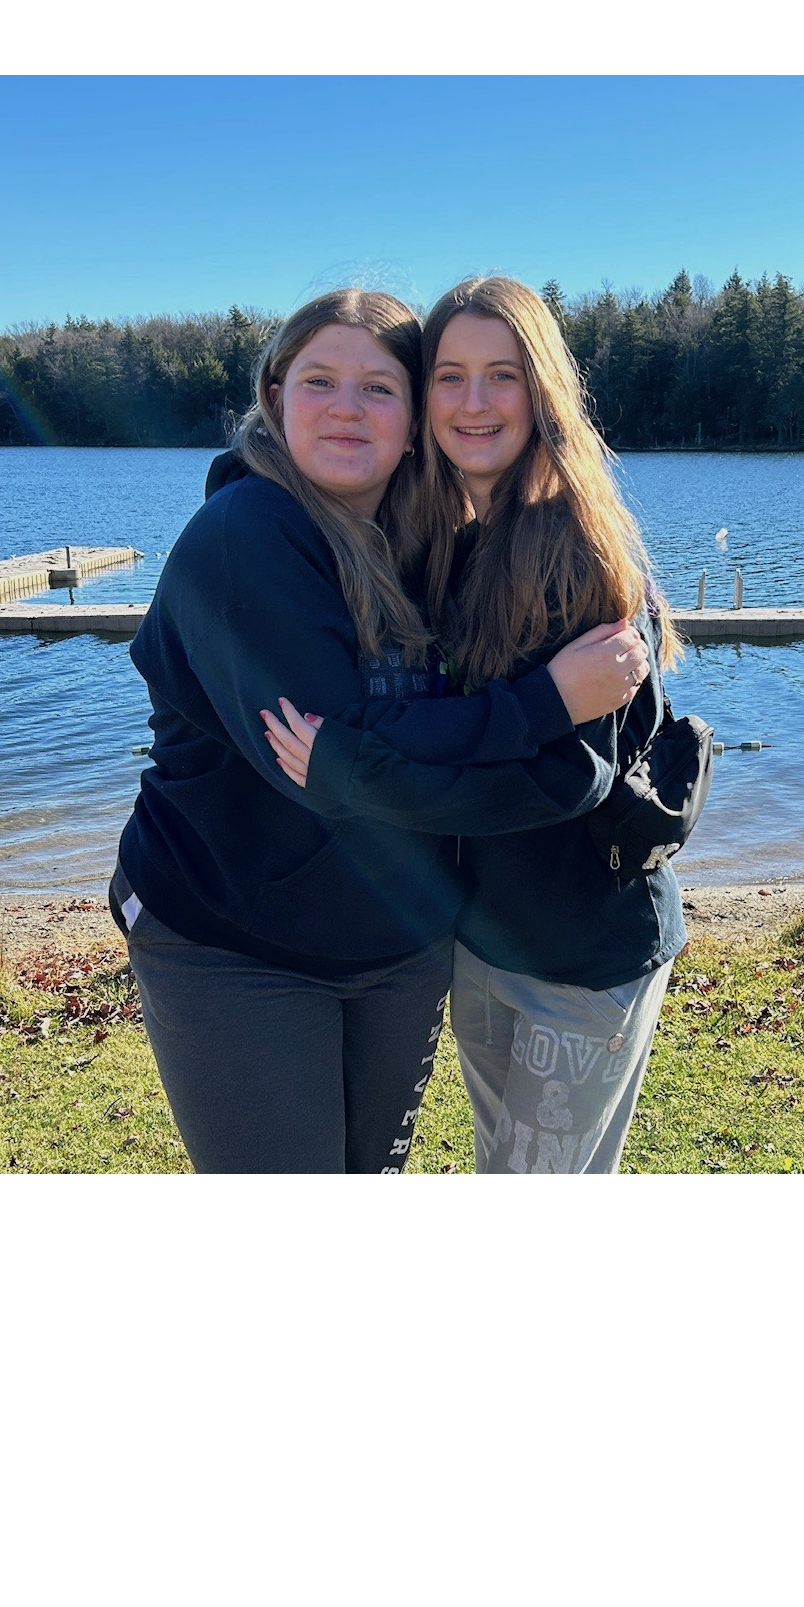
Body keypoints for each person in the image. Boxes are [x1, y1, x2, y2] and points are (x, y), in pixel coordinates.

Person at [110, 287, 649, 1174]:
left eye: (380, 387)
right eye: (320, 381)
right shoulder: (246, 537)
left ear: (413, 423)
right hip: (239, 943)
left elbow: (388, 756)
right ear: (275, 395)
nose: (347, 409)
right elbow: (336, 760)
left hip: (397, 948)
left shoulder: (428, 542)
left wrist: (605, 660)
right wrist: (544, 707)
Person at [263, 274, 688, 1175]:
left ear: (543, 389)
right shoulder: (447, 539)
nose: (474, 402)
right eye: (449, 375)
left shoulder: (582, 555)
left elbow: (562, 780)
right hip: (485, 941)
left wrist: (356, 774)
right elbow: (425, 718)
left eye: (502, 375)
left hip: (584, 949)